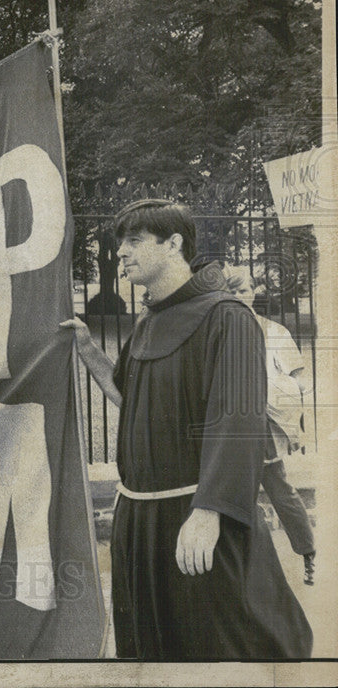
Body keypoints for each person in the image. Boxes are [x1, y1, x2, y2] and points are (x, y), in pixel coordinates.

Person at [61, 199, 311, 659]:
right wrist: (87, 349)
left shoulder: (228, 316)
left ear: (174, 243)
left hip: (197, 515)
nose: (123, 254)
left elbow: (237, 424)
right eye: (121, 245)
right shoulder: (147, 320)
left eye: (135, 241)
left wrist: (209, 512)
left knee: (223, 647)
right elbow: (128, 400)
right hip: (140, 518)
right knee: (154, 649)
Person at [224, 265, 316, 585]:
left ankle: (308, 554)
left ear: (254, 293)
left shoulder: (275, 332)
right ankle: (242, 570)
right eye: (231, 291)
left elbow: (299, 379)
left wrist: (284, 396)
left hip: (261, 424)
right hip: (226, 426)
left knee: (280, 490)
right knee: (232, 496)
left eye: (243, 291)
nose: (238, 297)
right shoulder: (214, 333)